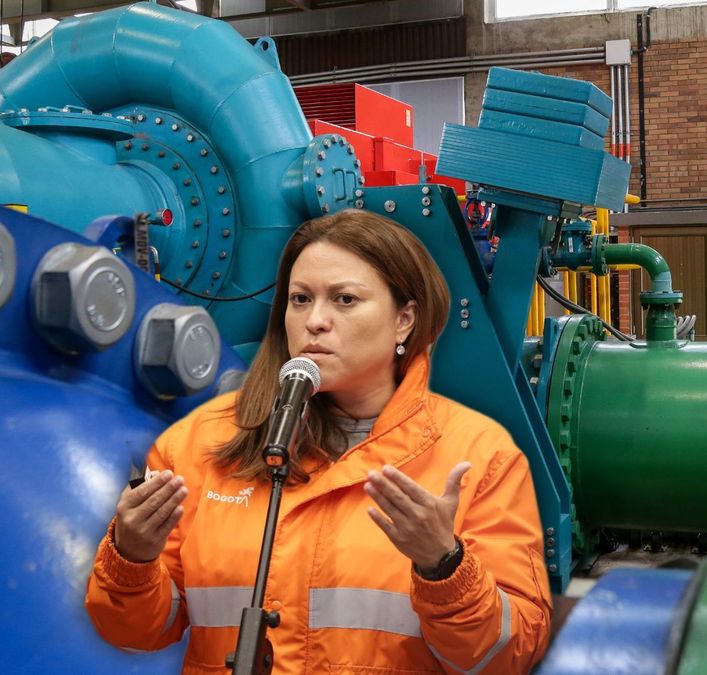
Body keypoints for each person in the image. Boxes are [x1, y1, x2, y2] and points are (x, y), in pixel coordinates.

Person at [85, 209, 553, 674]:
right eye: (300, 299)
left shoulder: (478, 457)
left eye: (345, 300)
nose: (315, 321)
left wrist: (444, 565)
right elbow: (135, 632)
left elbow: (507, 656)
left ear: (404, 320)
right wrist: (131, 557)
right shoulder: (198, 445)